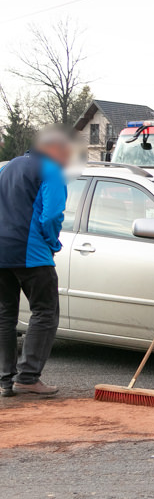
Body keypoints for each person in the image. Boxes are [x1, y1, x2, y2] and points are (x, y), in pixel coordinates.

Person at [0, 127, 71, 397]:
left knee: (5, 313)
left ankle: (5, 380)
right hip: (30, 253)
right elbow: (52, 215)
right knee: (45, 311)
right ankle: (28, 376)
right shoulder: (50, 170)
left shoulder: (7, 168)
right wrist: (52, 244)